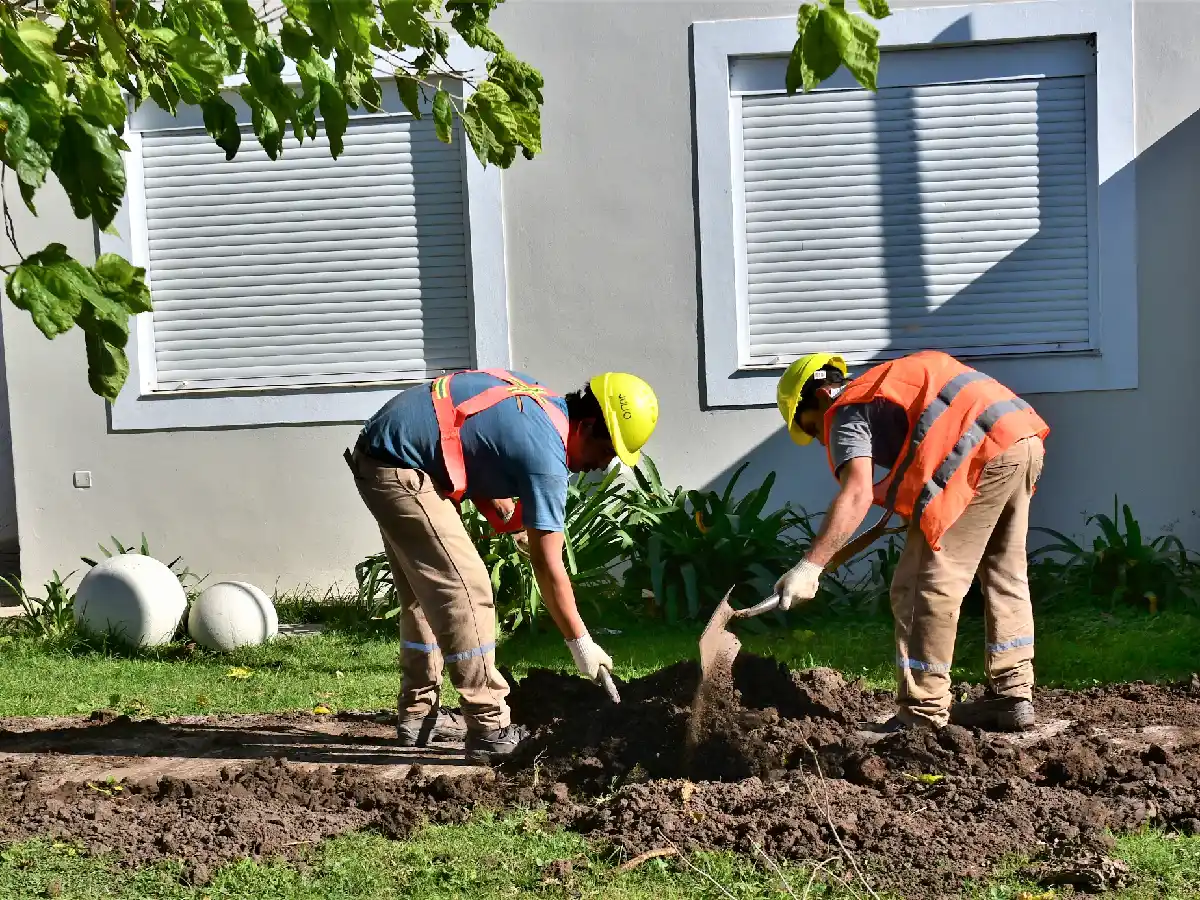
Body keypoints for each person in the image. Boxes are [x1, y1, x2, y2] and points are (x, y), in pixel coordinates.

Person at [345, 369, 659, 763]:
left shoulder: (538, 404)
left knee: (423, 594)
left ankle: (417, 714)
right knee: (467, 590)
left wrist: (506, 515)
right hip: (401, 466)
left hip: (385, 454)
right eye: (609, 450)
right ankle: (490, 726)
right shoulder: (546, 452)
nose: (603, 464)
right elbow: (549, 565)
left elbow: (469, 443)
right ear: (589, 426)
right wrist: (581, 643)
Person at [773, 350, 1049, 733]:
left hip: (980, 451)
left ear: (819, 398)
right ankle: (1011, 695)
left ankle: (922, 712)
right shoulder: (883, 391)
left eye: (811, 427)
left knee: (921, 585)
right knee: (1004, 571)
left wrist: (810, 566)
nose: (822, 440)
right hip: (1019, 435)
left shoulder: (846, 410)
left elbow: (856, 495)